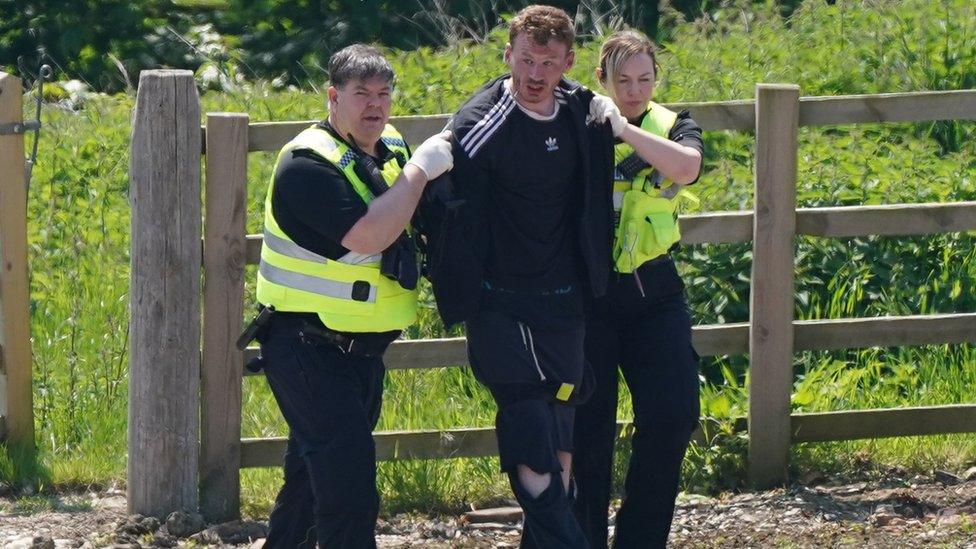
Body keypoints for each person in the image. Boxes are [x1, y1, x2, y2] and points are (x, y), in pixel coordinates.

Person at [420, 5, 615, 548]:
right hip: (497, 303)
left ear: (568, 63)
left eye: (548, 64)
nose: (534, 75)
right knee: (528, 424)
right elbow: (438, 204)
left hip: (565, 298)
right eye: (525, 60)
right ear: (507, 55)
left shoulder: (583, 113)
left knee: (561, 430)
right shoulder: (478, 123)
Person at [252, 44, 452, 548]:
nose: (375, 106)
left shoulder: (391, 147)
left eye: (384, 94)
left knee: (308, 485)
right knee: (349, 491)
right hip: (306, 346)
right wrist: (420, 173)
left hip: (361, 351)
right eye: (361, 93)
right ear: (333, 97)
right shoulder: (304, 164)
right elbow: (368, 236)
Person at [573, 29, 704, 549]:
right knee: (589, 435)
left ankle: (641, 539)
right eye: (622, 80)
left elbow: (687, 168)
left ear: (656, 79)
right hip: (588, 299)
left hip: (655, 295)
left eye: (644, 78)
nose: (634, 88)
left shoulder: (674, 124)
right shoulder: (573, 125)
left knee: (673, 416)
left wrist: (625, 131)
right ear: (601, 79)